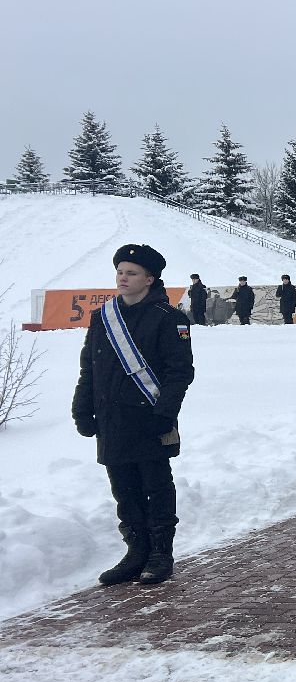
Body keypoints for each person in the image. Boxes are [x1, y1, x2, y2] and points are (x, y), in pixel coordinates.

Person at [73, 244, 195, 586]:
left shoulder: (169, 318)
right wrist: (82, 408)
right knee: (124, 490)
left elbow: (179, 372)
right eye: (120, 272)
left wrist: (164, 413)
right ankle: (136, 551)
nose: (123, 278)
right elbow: (89, 367)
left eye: (132, 273)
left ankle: (161, 554)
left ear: (149, 279)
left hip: (150, 417)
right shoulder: (103, 316)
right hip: (111, 419)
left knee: (156, 487)